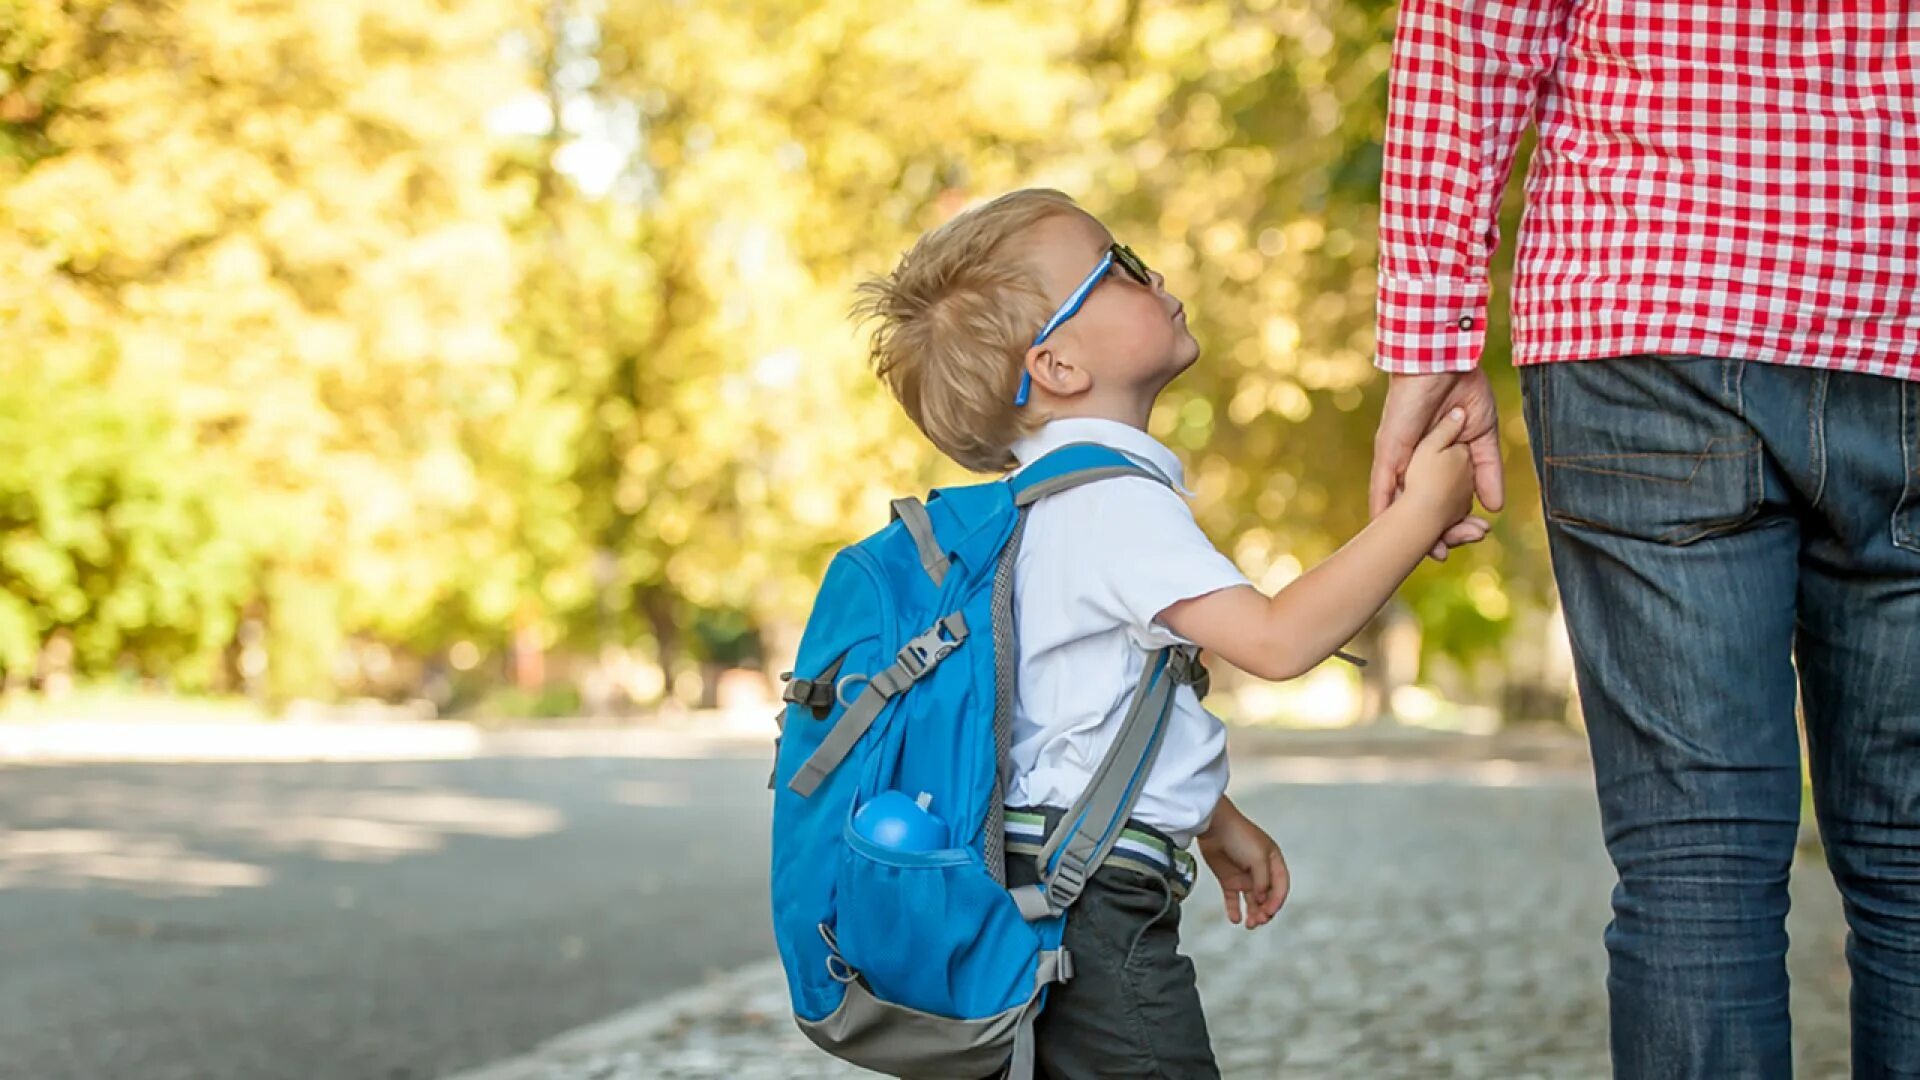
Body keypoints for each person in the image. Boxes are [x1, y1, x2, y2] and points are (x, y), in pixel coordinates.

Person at [1369, 4, 1920, 1076]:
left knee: (1694, 860)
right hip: (1899, 295)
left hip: (1650, 292)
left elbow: (1471, 26)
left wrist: (1431, 339)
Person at [855, 187, 1478, 1078]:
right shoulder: (1110, 504)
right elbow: (1274, 641)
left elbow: (1083, 718)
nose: (1154, 277)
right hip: (1096, 908)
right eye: (1121, 269)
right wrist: (1421, 513)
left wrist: (1213, 823)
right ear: (1060, 365)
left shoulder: (1045, 508)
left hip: (1058, 877)